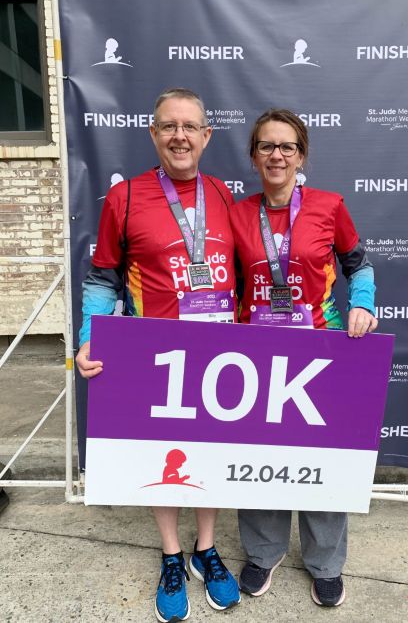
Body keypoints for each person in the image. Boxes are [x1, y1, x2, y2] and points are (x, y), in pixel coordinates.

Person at [76, 88, 241, 622]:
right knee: (162, 461)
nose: (179, 136)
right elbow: (103, 278)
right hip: (154, 355)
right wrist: (89, 336)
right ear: (153, 134)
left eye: (190, 126)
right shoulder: (124, 199)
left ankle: (206, 548)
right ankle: (172, 553)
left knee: (211, 455)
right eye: (169, 126)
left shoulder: (220, 193)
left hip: (217, 352)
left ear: (206, 135)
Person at [229, 109, 378, 608]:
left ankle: (325, 563)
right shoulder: (236, 213)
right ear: (254, 156)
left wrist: (363, 303)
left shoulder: (330, 206)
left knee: (322, 460)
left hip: (322, 350)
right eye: (267, 146)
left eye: (286, 146)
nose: (277, 154)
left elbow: (359, 266)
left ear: (301, 155)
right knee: (260, 458)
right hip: (257, 354)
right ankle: (263, 551)